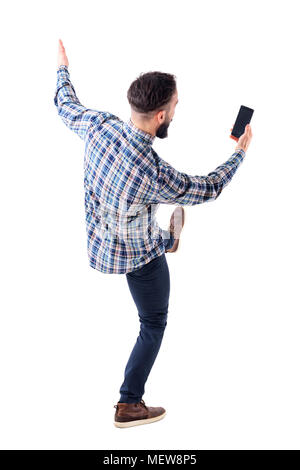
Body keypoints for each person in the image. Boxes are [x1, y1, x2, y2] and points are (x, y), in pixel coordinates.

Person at [54, 39, 253, 428]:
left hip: (103, 241)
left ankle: (168, 239)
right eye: (176, 107)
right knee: (153, 323)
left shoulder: (98, 126)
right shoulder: (154, 174)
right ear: (161, 115)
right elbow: (208, 187)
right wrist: (240, 153)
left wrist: (62, 68)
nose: (176, 111)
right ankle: (130, 403)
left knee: (140, 220)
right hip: (137, 255)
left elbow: (65, 104)